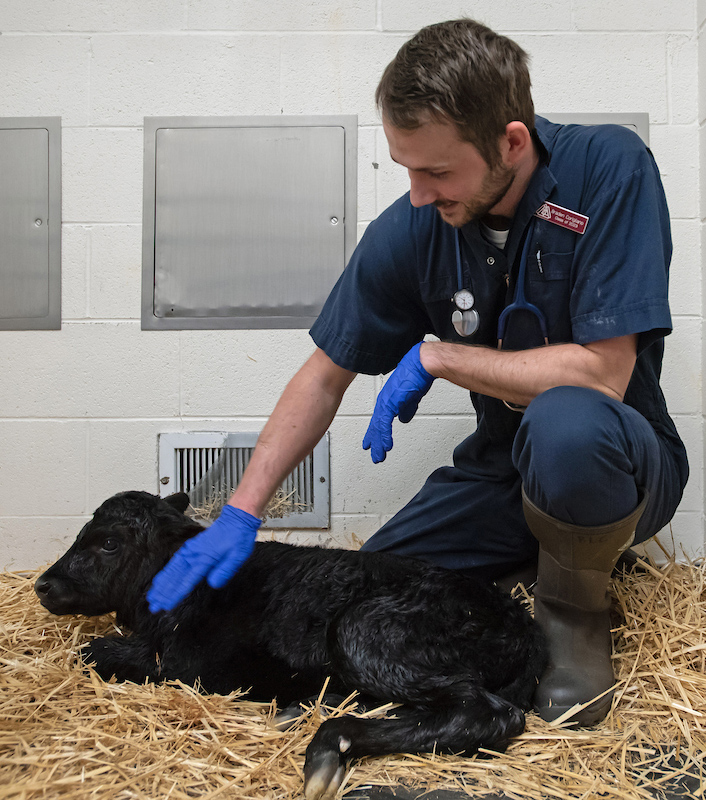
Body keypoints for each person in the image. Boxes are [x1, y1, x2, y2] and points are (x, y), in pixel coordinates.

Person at [146, 19, 688, 726]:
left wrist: (440, 355)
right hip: (501, 476)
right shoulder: (413, 227)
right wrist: (243, 510)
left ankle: (574, 619)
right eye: (406, 168)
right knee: (370, 587)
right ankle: (531, 559)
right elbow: (323, 375)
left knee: (568, 420)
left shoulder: (608, 168)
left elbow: (602, 377)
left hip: (621, 463)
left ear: (511, 142)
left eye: (435, 171)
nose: (419, 193)